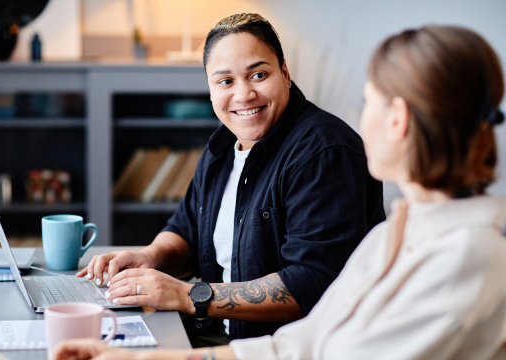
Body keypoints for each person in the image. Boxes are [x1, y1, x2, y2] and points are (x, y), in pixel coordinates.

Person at [53, 24, 506, 359]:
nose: (355, 114)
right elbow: (301, 344)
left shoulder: (467, 254)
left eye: (368, 101)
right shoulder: (396, 236)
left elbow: (327, 335)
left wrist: (187, 300)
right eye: (225, 81)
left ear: (398, 119)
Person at [78, 13, 385, 346]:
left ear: (284, 72)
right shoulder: (222, 148)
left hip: (277, 350)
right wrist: (151, 256)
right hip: (214, 337)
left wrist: (186, 295)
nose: (244, 95)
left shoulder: (323, 152)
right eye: (225, 81)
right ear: (210, 89)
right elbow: (187, 231)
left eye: (258, 74)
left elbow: (311, 284)